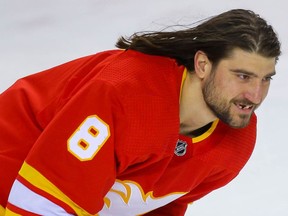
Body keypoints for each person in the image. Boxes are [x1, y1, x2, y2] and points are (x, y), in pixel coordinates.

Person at [0, 8, 281, 216]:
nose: (255, 96)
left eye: (266, 78)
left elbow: (160, 206)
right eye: (242, 76)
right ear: (203, 65)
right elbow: (38, 207)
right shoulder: (127, 95)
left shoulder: (235, 141)